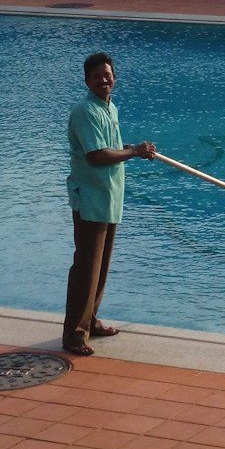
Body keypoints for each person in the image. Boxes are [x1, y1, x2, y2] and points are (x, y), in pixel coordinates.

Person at [63, 50, 155, 355]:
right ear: (87, 80)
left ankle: (90, 321)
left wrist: (131, 148)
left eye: (107, 74)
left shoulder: (109, 108)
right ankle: (75, 334)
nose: (104, 80)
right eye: (97, 76)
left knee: (100, 267)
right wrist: (134, 153)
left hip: (109, 199)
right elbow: (96, 155)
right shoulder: (84, 111)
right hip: (90, 200)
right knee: (87, 266)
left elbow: (110, 147)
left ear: (114, 76)